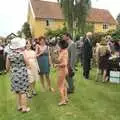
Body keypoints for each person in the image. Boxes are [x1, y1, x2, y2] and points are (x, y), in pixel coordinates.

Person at [6, 37, 30, 112]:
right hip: (22, 73)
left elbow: (7, 68)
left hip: (14, 74)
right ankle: (24, 108)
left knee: (17, 91)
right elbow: (27, 63)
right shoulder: (22, 53)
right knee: (23, 91)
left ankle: (19, 106)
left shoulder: (9, 55)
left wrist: (12, 70)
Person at [56, 40, 68, 106]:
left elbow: (64, 63)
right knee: (64, 84)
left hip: (62, 70)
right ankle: (65, 97)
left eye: (58, 45)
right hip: (64, 70)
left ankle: (63, 100)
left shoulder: (63, 52)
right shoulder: (64, 51)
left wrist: (57, 65)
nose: (57, 46)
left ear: (61, 45)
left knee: (60, 85)